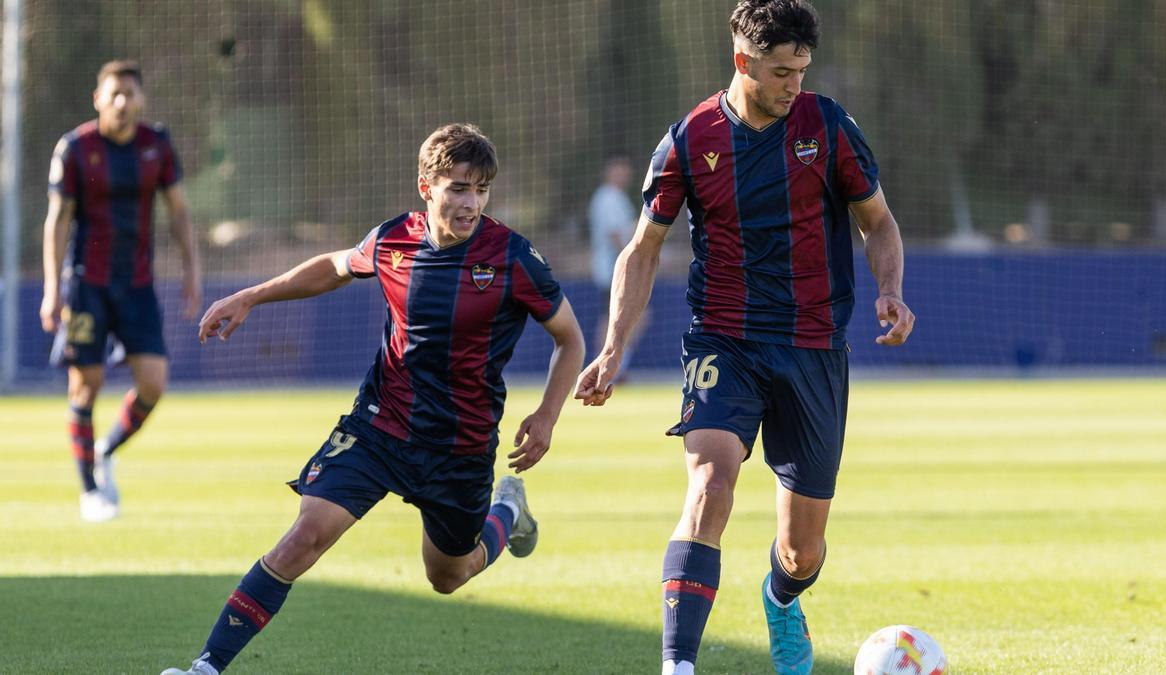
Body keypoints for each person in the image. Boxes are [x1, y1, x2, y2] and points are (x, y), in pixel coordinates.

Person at [161, 123, 585, 675]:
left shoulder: (512, 256)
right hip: (379, 427)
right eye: (458, 188)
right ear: (426, 187)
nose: (470, 203)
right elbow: (335, 267)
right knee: (304, 538)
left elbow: (570, 338)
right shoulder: (392, 239)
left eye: (481, 189)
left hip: (459, 446)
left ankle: (507, 510)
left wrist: (548, 415)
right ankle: (205, 667)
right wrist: (253, 295)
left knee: (448, 576)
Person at [574, 2, 916, 674]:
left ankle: (781, 598)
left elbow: (878, 222)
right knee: (709, 482)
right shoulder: (688, 139)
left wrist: (891, 289)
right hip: (722, 340)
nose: (795, 85)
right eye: (782, 72)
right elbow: (642, 250)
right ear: (743, 62)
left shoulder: (828, 125)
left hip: (813, 346)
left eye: (801, 71)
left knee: (802, 551)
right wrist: (613, 345)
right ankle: (679, 663)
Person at [40, 59, 201, 522]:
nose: (121, 102)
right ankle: (90, 491)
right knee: (85, 385)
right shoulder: (75, 148)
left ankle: (105, 451)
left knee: (153, 383)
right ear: (98, 100)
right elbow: (57, 221)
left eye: (129, 94)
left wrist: (192, 272)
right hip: (86, 285)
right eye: (113, 94)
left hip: (136, 286)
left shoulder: (158, 145)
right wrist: (53, 289)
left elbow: (179, 213)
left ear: (141, 100)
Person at [587, 154, 646, 374]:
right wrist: (632, 261)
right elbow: (615, 235)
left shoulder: (618, 198)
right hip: (612, 269)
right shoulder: (607, 197)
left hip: (615, 268)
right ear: (609, 172)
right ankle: (606, 365)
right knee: (615, 317)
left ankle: (613, 365)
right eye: (618, 170)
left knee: (625, 316)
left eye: (625, 170)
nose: (623, 175)